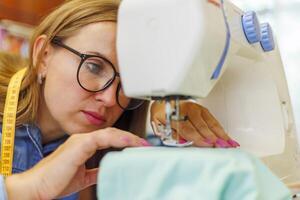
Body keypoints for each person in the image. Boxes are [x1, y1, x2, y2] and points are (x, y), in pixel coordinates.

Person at [0, 0, 239, 199]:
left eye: (128, 84)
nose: (110, 99)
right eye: (93, 66)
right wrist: (30, 188)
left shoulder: (101, 152)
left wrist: (166, 113)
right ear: (43, 56)